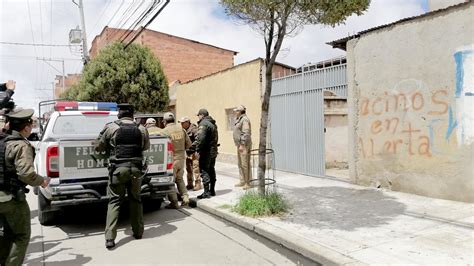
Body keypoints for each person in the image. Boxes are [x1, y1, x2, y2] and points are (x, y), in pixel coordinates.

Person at [94, 103, 150, 249]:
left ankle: (110, 238)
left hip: (118, 170)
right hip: (136, 170)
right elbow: (145, 147)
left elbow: (99, 146)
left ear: (119, 114)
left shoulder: (111, 127)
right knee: (136, 200)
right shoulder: (142, 128)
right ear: (132, 114)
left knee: (114, 201)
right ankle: (138, 232)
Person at [0, 108, 50, 265]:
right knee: (21, 235)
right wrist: (42, 181)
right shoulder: (21, 146)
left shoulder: (2, 142)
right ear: (27, 127)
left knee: (6, 234)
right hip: (10, 199)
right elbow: (26, 174)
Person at [161, 112, 192, 208]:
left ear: (165, 121)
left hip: (171, 160)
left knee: (170, 181)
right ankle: (185, 198)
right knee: (180, 179)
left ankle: (174, 202)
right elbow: (189, 145)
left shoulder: (164, 131)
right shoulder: (181, 129)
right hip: (181, 158)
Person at [191, 109, 218, 199]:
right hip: (213, 150)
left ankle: (206, 192)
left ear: (202, 115)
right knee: (211, 169)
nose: (198, 117)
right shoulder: (213, 123)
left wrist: (197, 149)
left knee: (204, 170)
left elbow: (201, 139)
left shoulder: (204, 124)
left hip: (206, 151)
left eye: (198, 115)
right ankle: (212, 190)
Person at [233, 105, 252, 189]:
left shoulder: (245, 120)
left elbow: (246, 133)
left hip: (243, 145)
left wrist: (242, 144)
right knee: (240, 163)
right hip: (239, 144)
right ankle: (242, 181)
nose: (235, 112)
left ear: (240, 112)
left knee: (245, 164)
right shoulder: (239, 119)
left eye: (236, 111)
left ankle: (248, 183)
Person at [180, 116, 202, 191]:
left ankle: (198, 184)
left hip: (194, 152)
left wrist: (191, 146)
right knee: (188, 169)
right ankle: (190, 184)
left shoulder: (194, 129)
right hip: (188, 152)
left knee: (195, 168)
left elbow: (198, 139)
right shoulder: (183, 130)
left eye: (183, 123)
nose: (181, 124)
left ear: (187, 122)